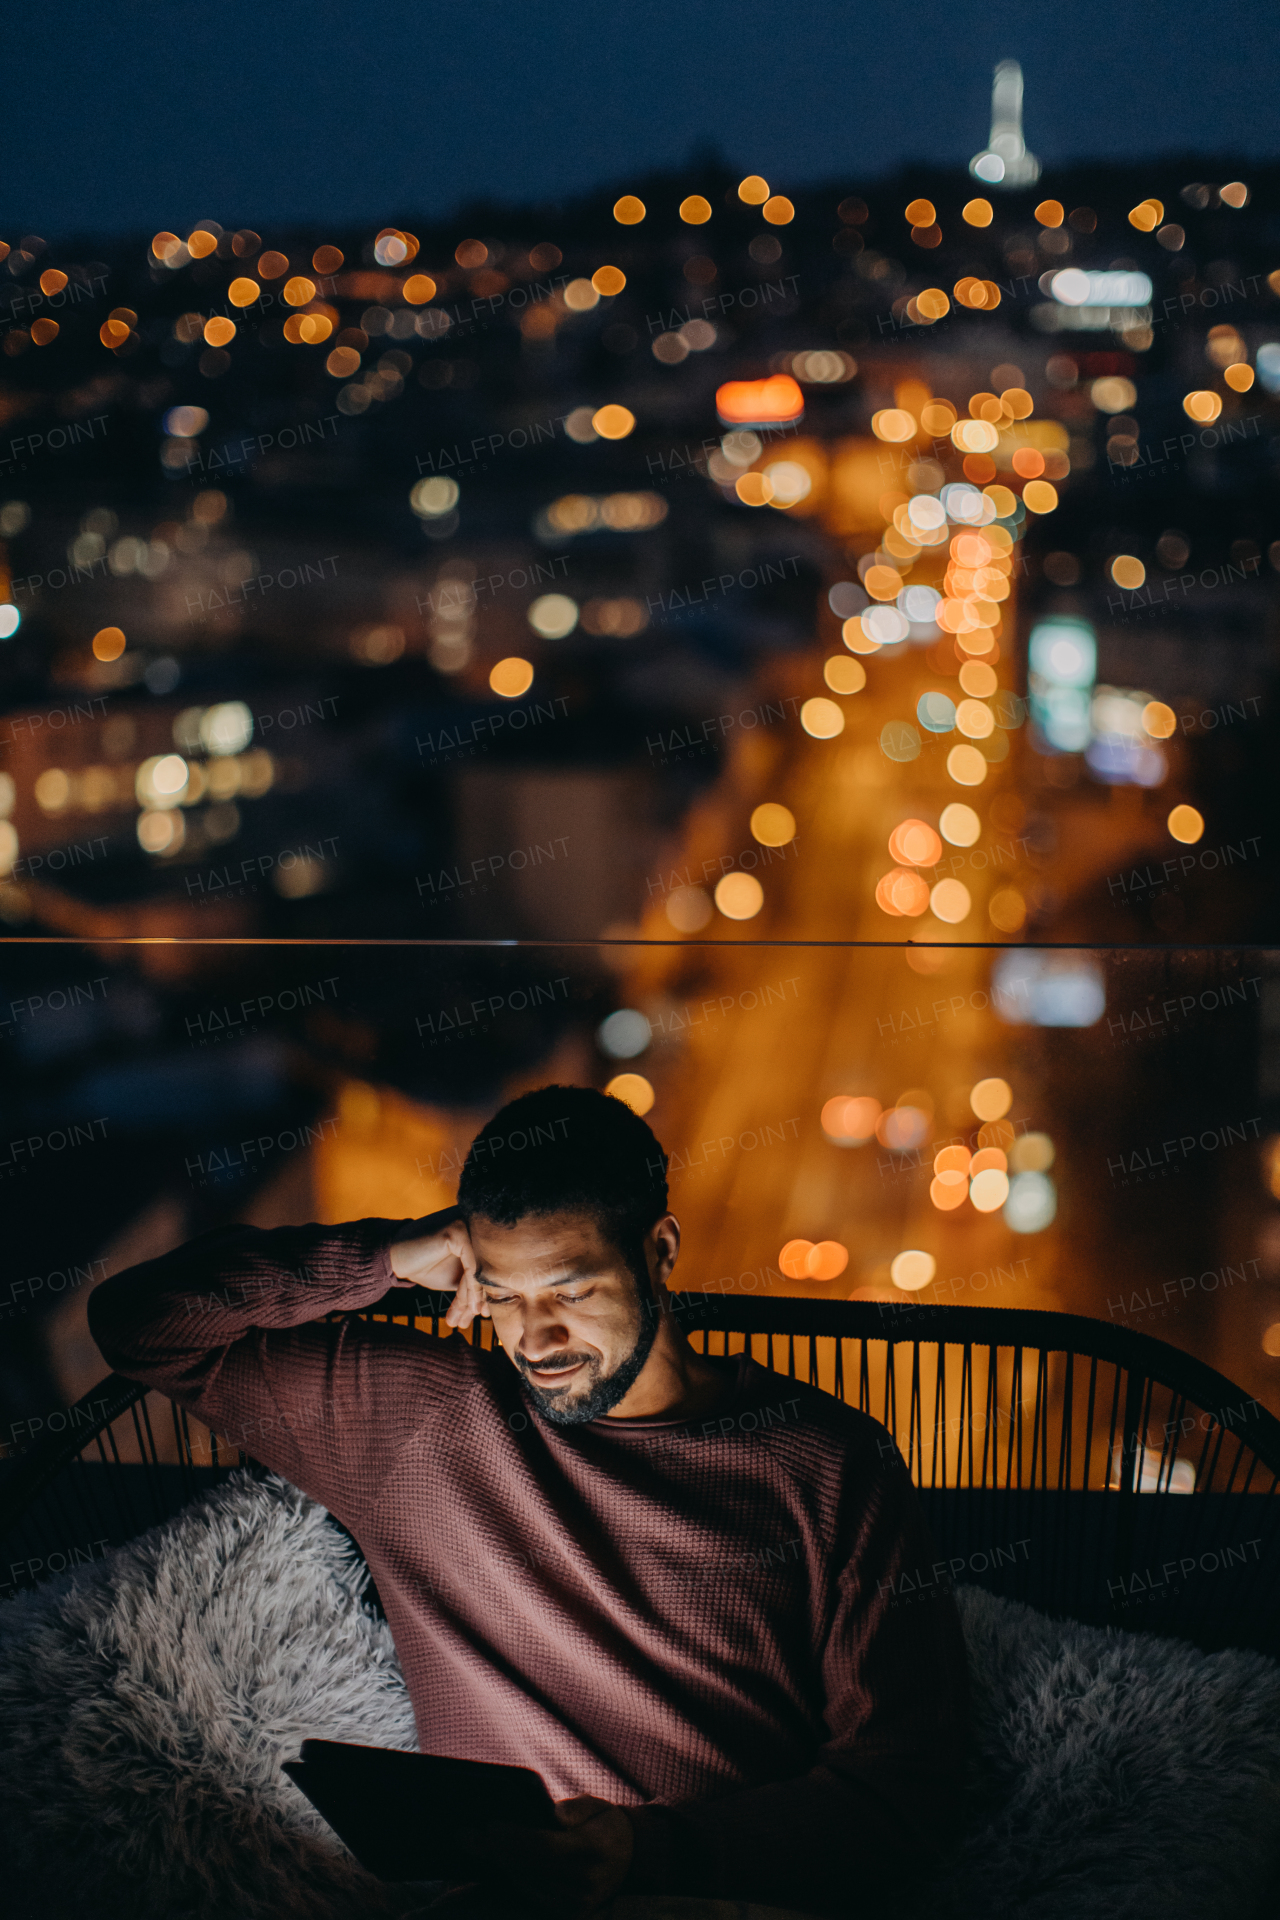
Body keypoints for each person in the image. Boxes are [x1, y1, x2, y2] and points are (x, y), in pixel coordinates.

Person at [88, 1084, 970, 1920]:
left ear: (659, 1252)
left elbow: (909, 1788)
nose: (534, 1340)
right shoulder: (415, 1417)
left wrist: (644, 1850)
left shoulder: (824, 1459)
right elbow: (142, 1321)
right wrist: (389, 1255)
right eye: (503, 1297)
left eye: (572, 1291)